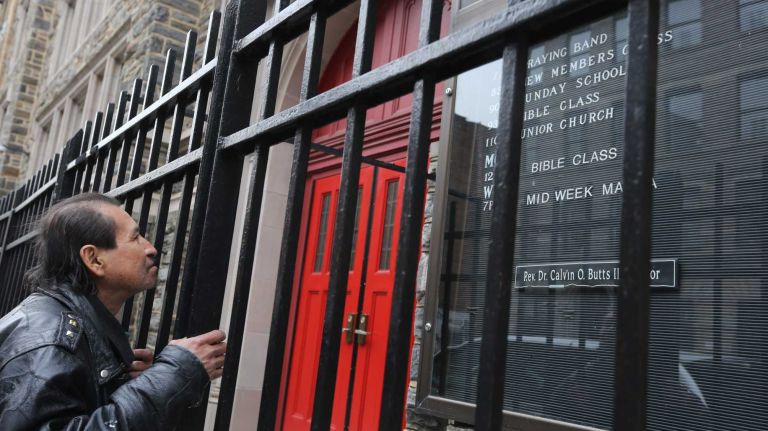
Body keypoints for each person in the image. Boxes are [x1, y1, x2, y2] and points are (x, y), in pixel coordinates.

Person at [0, 193, 227, 430]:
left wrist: (118, 387)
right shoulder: (51, 339)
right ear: (94, 259)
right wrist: (172, 375)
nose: (151, 248)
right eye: (136, 237)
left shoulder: (68, 323)